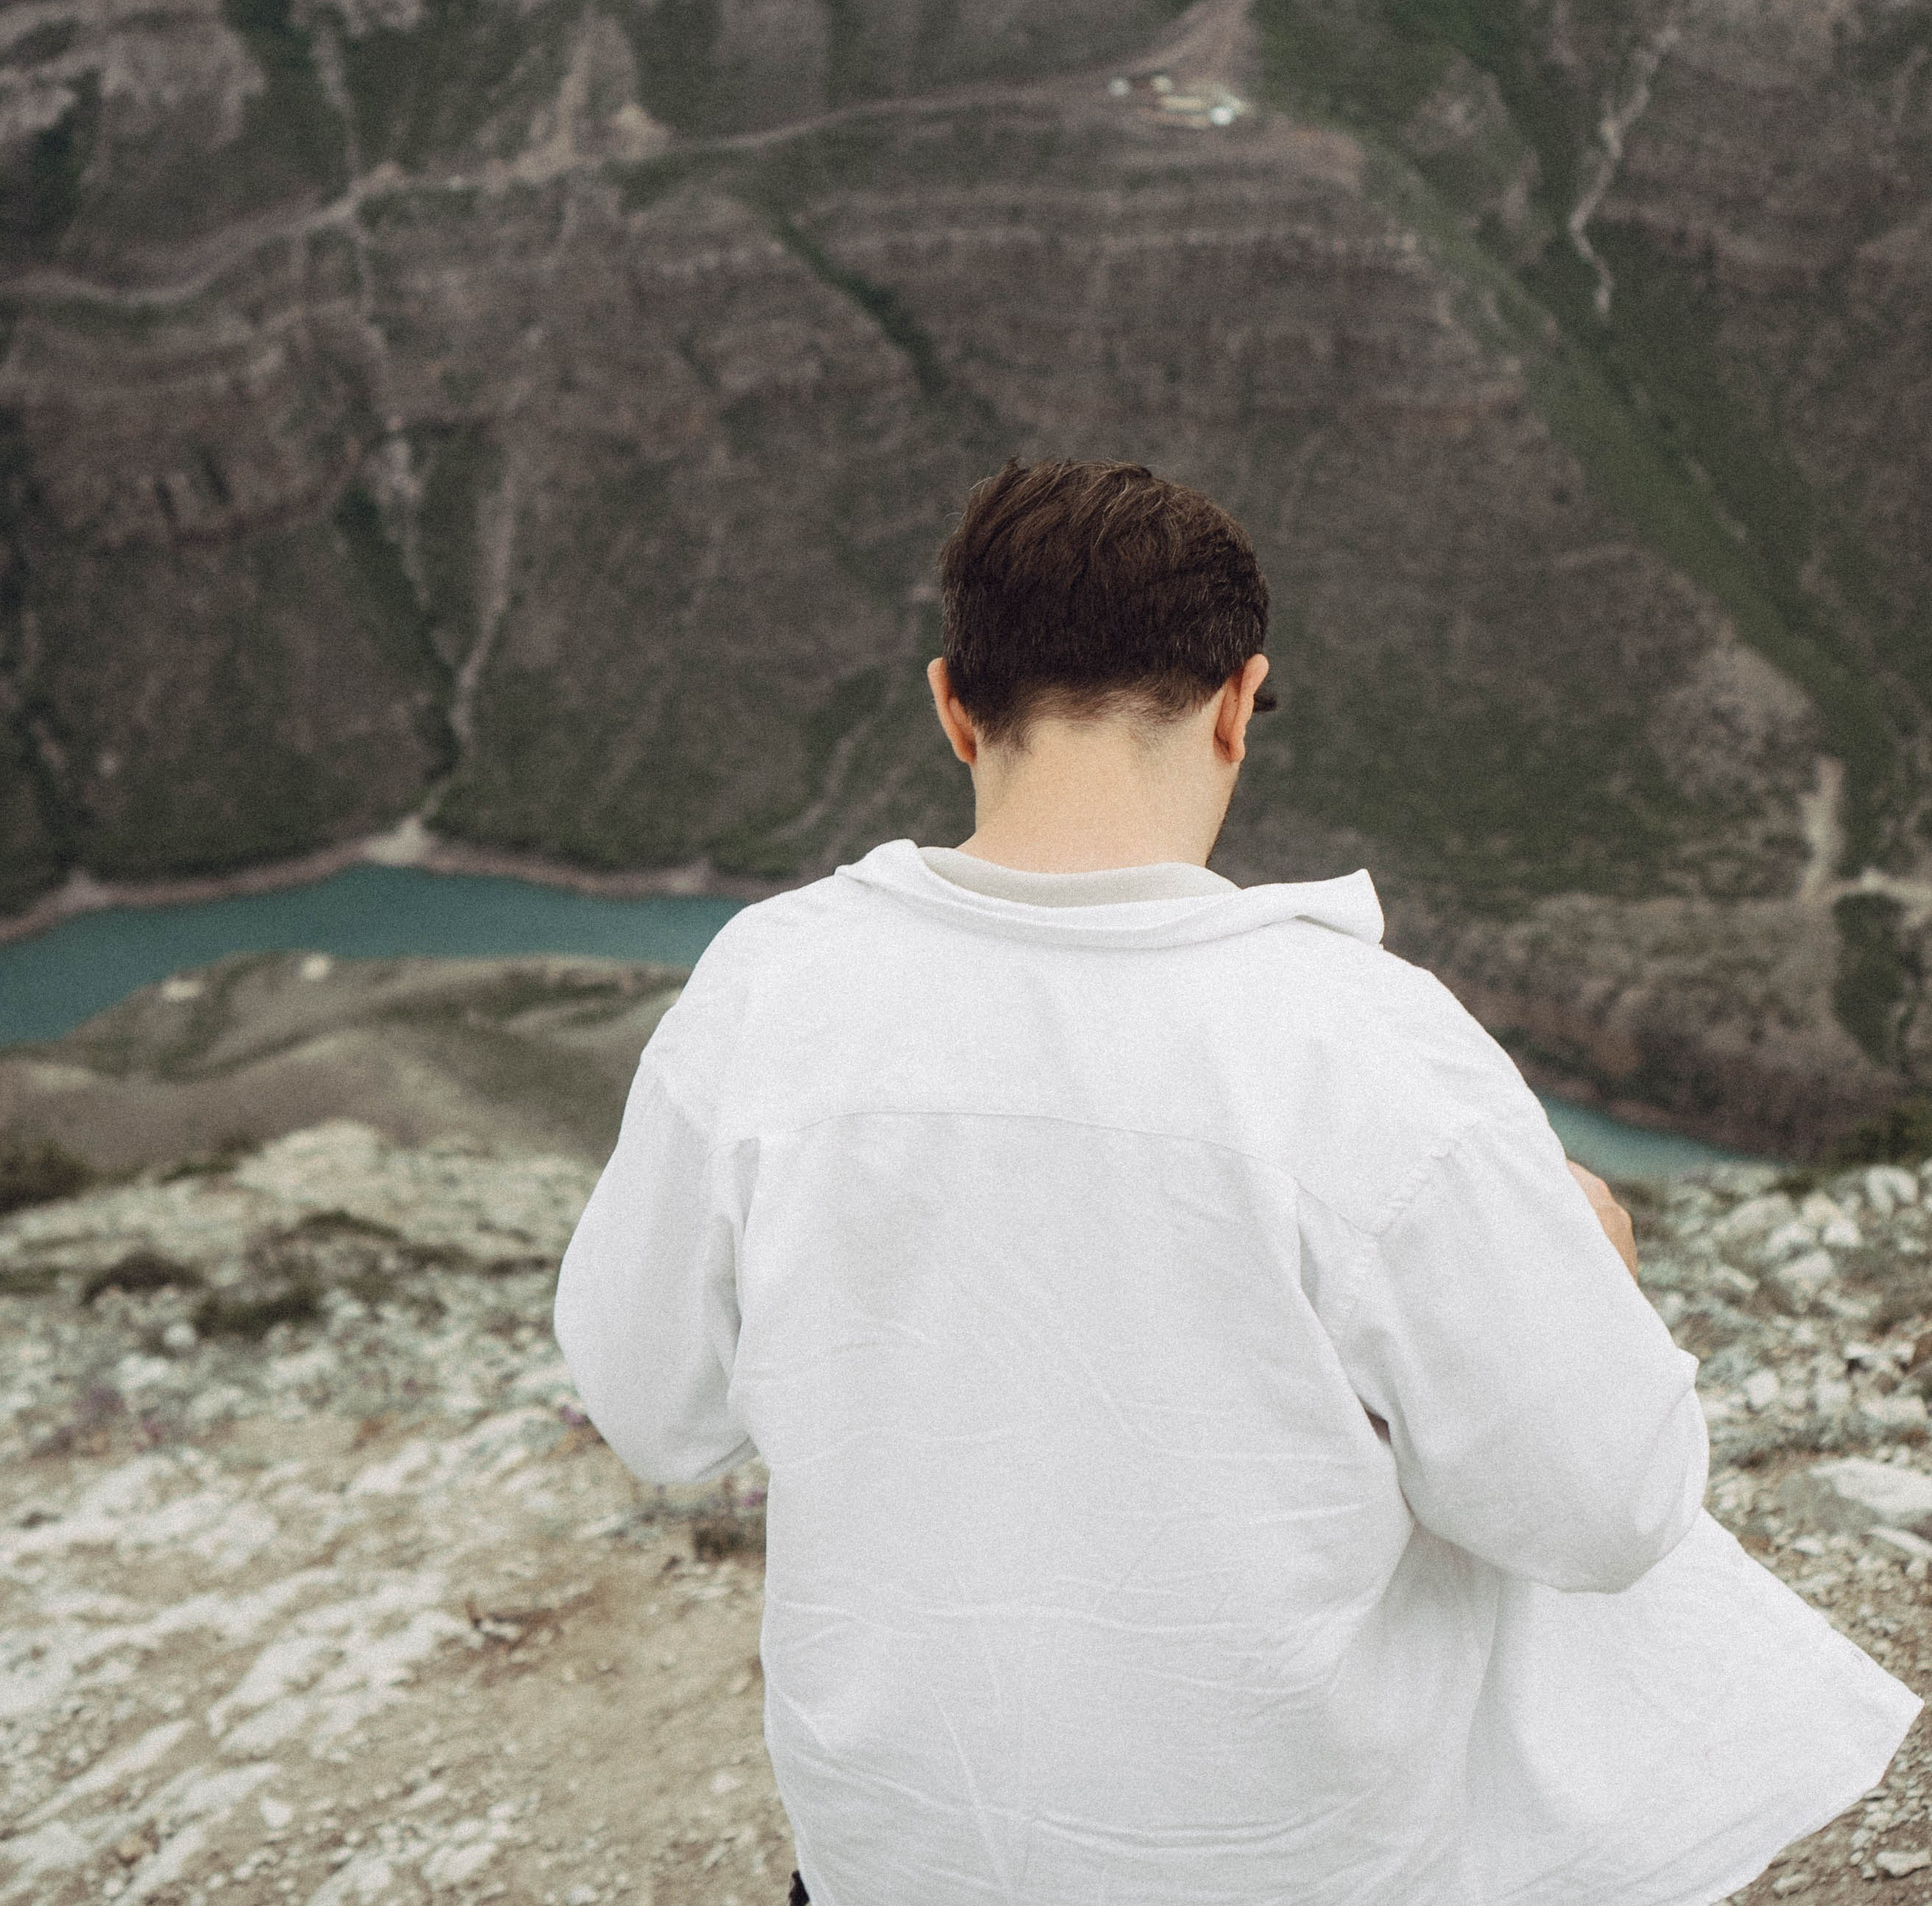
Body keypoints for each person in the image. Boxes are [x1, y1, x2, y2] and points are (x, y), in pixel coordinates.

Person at [555, 458, 1917, 1906]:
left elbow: (654, 1411)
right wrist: (1590, 1277)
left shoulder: (769, 990)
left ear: (954, 707)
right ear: (1234, 706)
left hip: (893, 1866)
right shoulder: (1367, 1046)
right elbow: (1610, 1514)